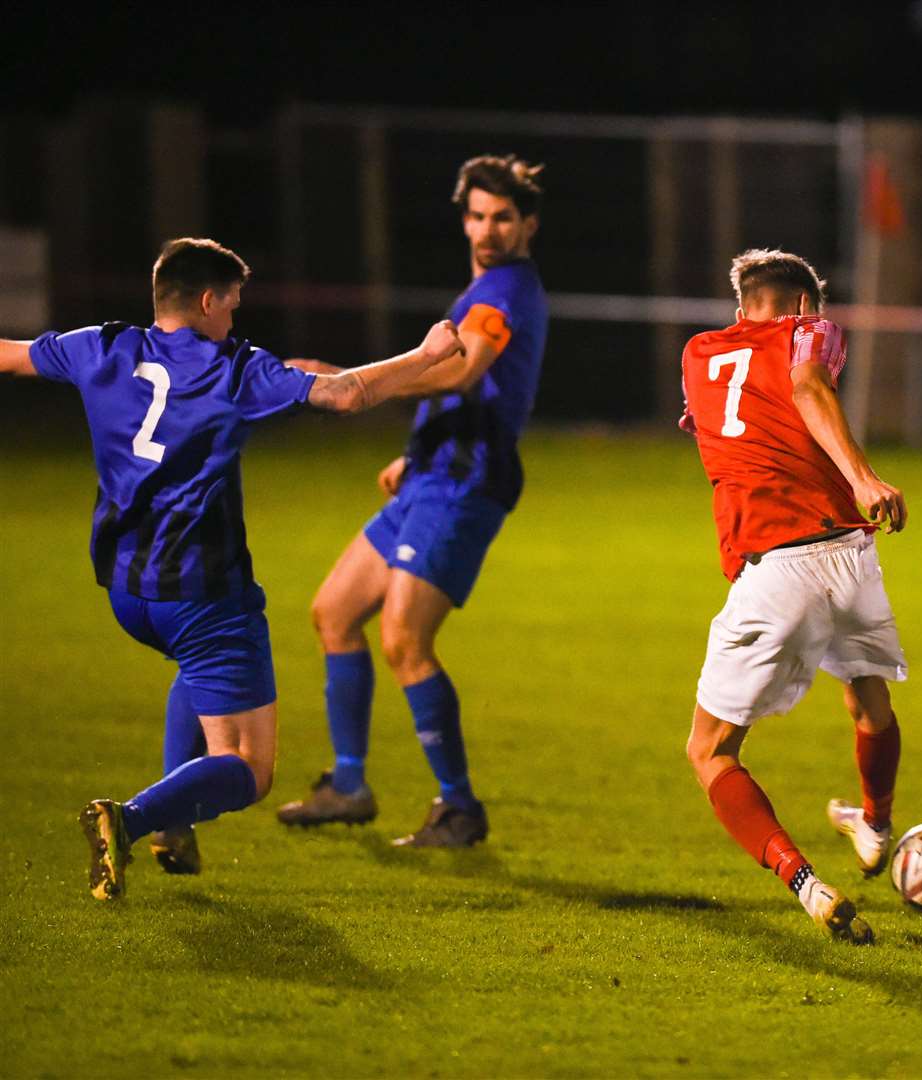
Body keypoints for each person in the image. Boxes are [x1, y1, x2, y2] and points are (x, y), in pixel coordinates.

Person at [0, 237, 465, 900]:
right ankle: (127, 821)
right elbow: (342, 394)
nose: (234, 322)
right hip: (202, 592)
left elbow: (11, 355)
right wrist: (425, 356)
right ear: (209, 300)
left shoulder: (99, 346)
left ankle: (173, 827)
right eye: (233, 307)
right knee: (247, 765)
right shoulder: (230, 366)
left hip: (129, 591)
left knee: (194, 672)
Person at [275, 155, 549, 847]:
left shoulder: (508, 290)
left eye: (503, 218)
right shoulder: (482, 287)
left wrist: (352, 383)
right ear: (465, 220)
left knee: (404, 640)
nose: (488, 230)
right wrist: (412, 449)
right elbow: (464, 389)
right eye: (479, 216)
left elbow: (462, 372)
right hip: (431, 473)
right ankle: (348, 784)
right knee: (334, 612)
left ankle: (458, 808)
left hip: (465, 483)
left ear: (527, 226)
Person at [679, 249, 908, 945]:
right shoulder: (809, 330)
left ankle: (805, 882)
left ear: (741, 306)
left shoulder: (698, 352)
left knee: (709, 751)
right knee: (870, 702)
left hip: (776, 567)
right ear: (807, 306)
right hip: (849, 552)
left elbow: (719, 416)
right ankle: (874, 823)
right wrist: (863, 478)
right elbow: (808, 382)